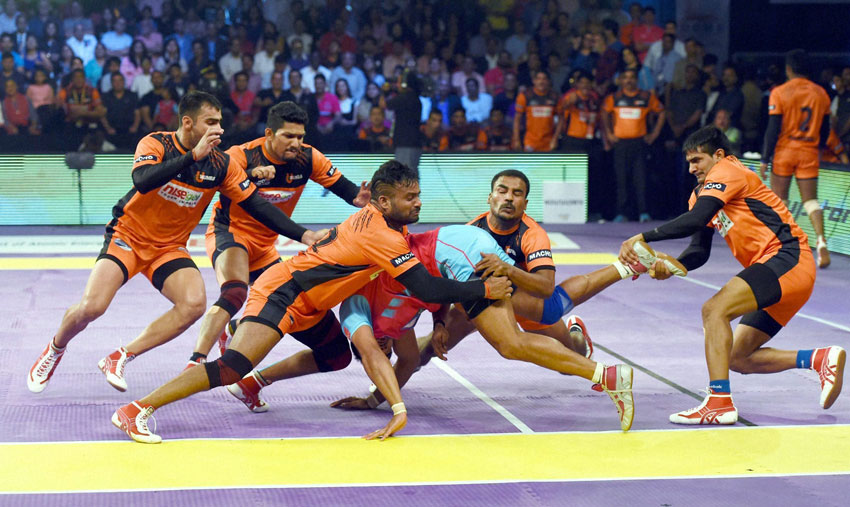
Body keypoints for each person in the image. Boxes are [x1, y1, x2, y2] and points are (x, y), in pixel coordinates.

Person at [111, 160, 514, 443]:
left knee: (336, 355)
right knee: (231, 367)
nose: (418, 203)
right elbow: (426, 289)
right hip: (284, 293)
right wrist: (484, 290)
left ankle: (253, 383)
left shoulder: (386, 226)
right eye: (410, 198)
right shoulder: (382, 236)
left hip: (312, 303)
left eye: (419, 195)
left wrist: (438, 319)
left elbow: (423, 286)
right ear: (383, 201)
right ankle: (137, 409)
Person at [230, 220, 648, 438]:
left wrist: (394, 410)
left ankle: (606, 374)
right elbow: (407, 360)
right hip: (454, 257)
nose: (386, 347)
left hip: (454, 254)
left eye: (381, 345)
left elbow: (374, 356)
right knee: (545, 310)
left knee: (511, 342)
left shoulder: (356, 310)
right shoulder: (399, 331)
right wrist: (439, 321)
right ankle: (620, 274)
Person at [27, 91, 325, 395]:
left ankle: (121, 356)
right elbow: (143, 180)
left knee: (193, 305)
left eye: (220, 122)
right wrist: (192, 157)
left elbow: (256, 205)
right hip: (128, 236)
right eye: (211, 122)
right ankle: (56, 347)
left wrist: (304, 235)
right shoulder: (156, 143)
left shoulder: (221, 164)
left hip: (168, 248)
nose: (219, 129)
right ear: (188, 123)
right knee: (92, 308)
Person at [620, 125, 845, 425]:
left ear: (718, 155)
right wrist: (672, 266)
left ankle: (719, 402)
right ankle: (819, 359)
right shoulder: (700, 194)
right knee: (737, 357)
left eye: (697, 160)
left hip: (788, 258)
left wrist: (643, 236)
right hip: (776, 270)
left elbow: (695, 219)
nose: (691, 168)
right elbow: (699, 250)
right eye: (688, 162)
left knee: (714, 310)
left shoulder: (728, 170)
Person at [186, 101, 371, 366]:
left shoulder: (308, 158)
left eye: (300, 137)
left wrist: (358, 197)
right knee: (234, 291)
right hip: (230, 233)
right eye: (288, 136)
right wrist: (249, 175)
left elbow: (346, 189)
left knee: (287, 306)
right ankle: (196, 362)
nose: (296, 143)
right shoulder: (243, 155)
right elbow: (211, 178)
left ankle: (234, 331)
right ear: (269, 134)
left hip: (266, 247)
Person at [759, 49, 832, 269]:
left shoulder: (779, 92)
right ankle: (821, 241)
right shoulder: (821, 93)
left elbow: (772, 129)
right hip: (808, 151)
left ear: (788, 68)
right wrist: (818, 149)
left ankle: (785, 247)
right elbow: (826, 130)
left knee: (780, 201)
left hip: (785, 151)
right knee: (811, 201)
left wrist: (764, 158)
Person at [602, 68, 665, 223]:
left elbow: (662, 112)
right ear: (621, 80)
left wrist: (654, 134)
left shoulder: (646, 97)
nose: (629, 80)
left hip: (639, 143)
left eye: (632, 77)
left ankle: (643, 212)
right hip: (620, 143)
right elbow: (604, 113)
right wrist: (609, 133)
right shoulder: (614, 98)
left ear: (637, 80)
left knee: (641, 178)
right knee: (621, 179)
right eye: (625, 77)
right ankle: (621, 213)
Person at [512, 70, 558, 152]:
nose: (541, 82)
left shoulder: (554, 97)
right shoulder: (525, 96)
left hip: (549, 142)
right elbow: (517, 119)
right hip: (530, 142)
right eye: (538, 79)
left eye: (544, 79)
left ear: (548, 81)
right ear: (534, 81)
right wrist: (516, 139)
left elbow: (561, 118)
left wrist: (555, 138)